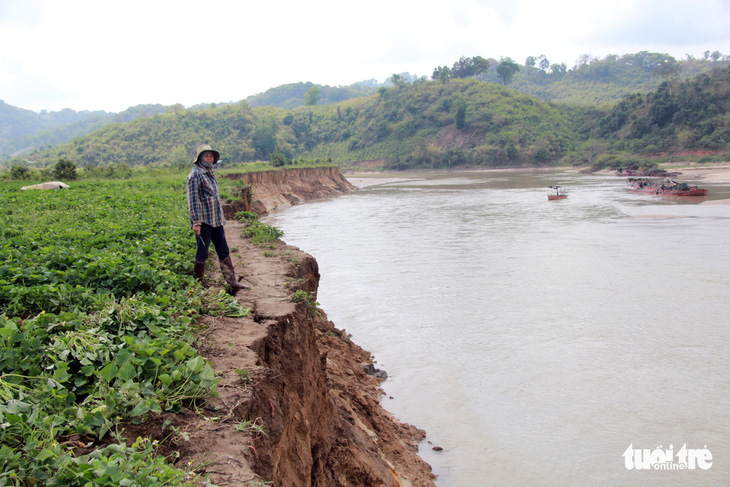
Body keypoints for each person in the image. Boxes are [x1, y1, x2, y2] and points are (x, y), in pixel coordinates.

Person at [186, 144, 247, 294]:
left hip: (216, 221)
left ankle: (232, 281)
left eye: (211, 156)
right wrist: (196, 222)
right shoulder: (195, 175)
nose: (209, 158)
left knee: (223, 250)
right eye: (206, 156)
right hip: (204, 222)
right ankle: (198, 285)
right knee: (202, 252)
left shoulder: (210, 174)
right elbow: (193, 201)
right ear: (200, 158)